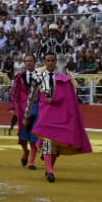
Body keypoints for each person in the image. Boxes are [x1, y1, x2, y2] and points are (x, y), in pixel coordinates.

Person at [29, 52, 92, 183]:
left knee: (56, 145)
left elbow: (71, 98)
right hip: (46, 114)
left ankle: (49, 167)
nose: (51, 63)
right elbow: (32, 96)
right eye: (48, 60)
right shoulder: (39, 77)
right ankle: (50, 170)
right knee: (47, 141)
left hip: (60, 115)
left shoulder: (65, 79)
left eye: (53, 60)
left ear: (56, 62)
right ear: (45, 62)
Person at [8, 53, 39, 169]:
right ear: (24, 63)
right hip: (22, 110)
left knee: (34, 134)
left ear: (35, 62)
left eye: (31, 61)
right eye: (27, 61)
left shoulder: (40, 76)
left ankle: (32, 161)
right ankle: (26, 152)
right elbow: (14, 92)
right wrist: (11, 107)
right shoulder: (19, 76)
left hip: (36, 109)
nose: (29, 63)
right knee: (22, 136)